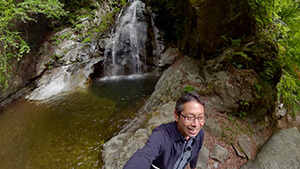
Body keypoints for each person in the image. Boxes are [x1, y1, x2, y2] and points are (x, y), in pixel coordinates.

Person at [123, 91, 206, 169]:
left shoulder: (199, 134)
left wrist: (193, 166)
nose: (196, 124)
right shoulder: (162, 135)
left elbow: (196, 151)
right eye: (190, 117)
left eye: (201, 117)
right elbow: (144, 155)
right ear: (177, 116)